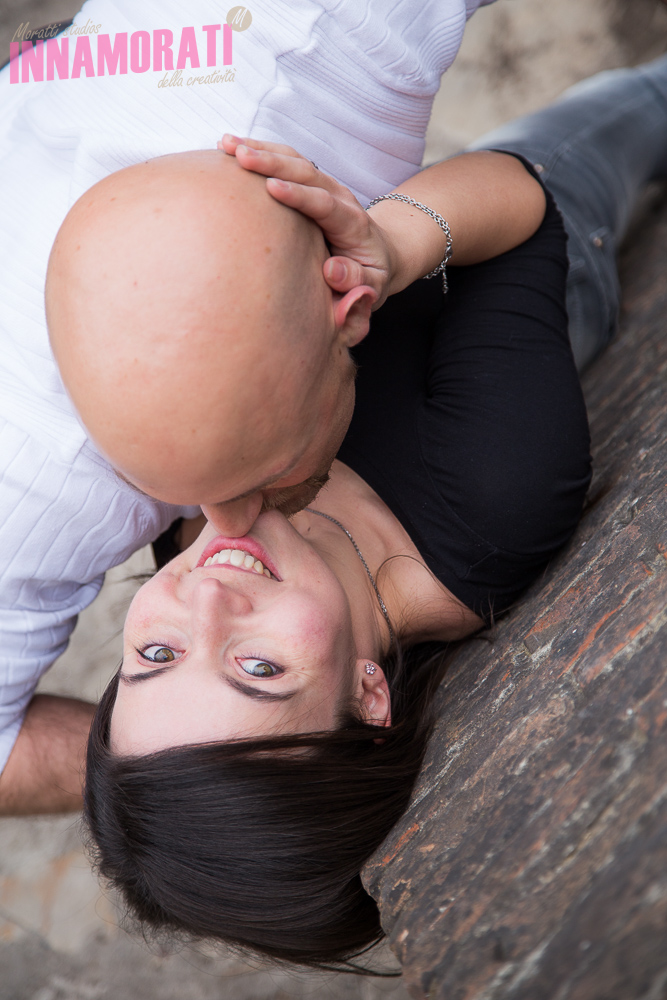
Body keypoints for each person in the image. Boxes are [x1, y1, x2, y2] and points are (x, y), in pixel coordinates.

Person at [84, 56, 667, 970]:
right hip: (521, 257)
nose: (206, 602)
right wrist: (385, 244)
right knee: (630, 111)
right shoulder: (492, 500)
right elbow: (520, 205)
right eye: (257, 667)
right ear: (367, 693)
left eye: (156, 656)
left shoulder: (197, 536)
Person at [0, 0, 498, 815]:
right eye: (255, 669)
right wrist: (191, 756)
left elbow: (521, 194)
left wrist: (219, 760)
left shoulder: (319, 41)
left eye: (158, 656)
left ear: (349, 308)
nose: (224, 527)